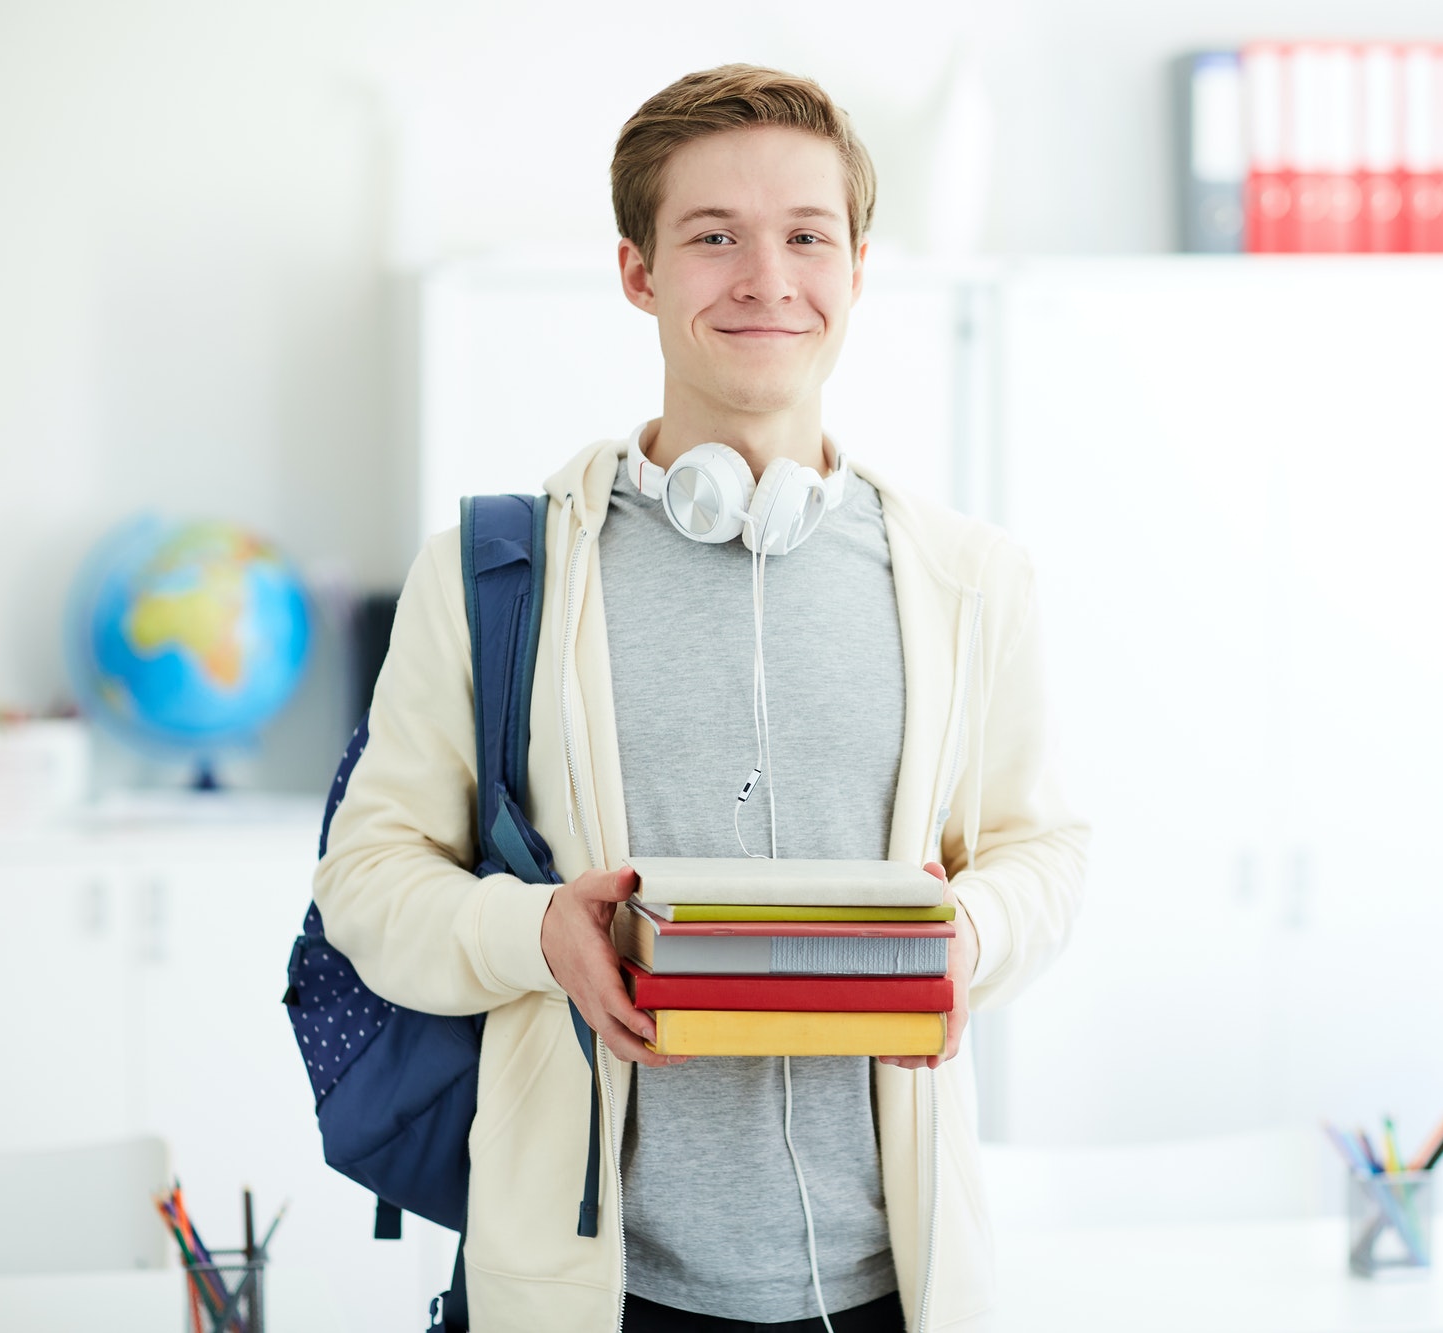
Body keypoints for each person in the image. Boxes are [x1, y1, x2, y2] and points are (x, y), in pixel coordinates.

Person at [314, 63, 1088, 1333]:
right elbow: (368, 877)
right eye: (713, 236)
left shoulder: (967, 581)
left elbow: (1041, 849)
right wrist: (537, 934)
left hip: (896, 1281)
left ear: (855, 268)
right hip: (599, 1287)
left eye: (806, 236)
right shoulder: (499, 574)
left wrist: (973, 940)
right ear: (639, 272)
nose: (766, 278)